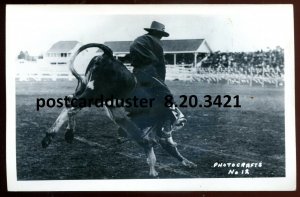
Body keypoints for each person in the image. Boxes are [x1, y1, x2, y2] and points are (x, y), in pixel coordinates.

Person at [129, 21, 186, 140]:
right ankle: (176, 117)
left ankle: (137, 122)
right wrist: (161, 81)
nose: (161, 37)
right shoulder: (156, 42)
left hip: (136, 71)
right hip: (148, 71)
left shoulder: (140, 39)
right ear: (159, 33)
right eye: (161, 34)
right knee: (165, 93)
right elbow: (161, 65)